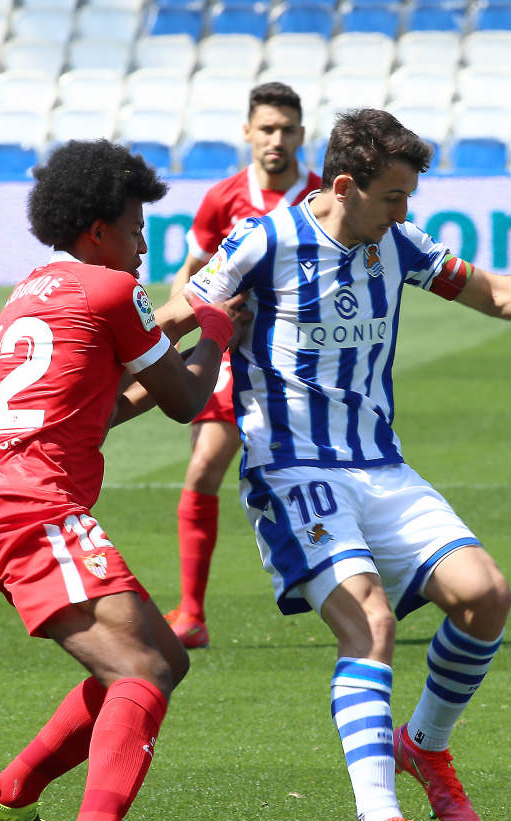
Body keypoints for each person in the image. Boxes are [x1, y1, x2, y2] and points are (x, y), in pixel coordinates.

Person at [180, 108, 511, 821]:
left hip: (380, 465)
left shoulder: (396, 242)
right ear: (345, 186)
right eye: (395, 198)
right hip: (293, 469)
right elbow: (178, 310)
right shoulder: (263, 241)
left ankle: (424, 744)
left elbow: (493, 294)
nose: (407, 213)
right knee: (368, 623)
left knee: (485, 597)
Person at [0, 139, 245, 821]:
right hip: (34, 508)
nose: (145, 241)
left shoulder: (33, 292)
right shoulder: (114, 293)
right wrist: (214, 333)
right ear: (97, 231)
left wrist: (181, 322)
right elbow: (185, 402)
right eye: (135, 225)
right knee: (141, 672)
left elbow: (102, 409)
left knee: (160, 658)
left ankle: (11, 796)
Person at [161, 82, 323, 650]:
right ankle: (192, 614)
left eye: (287, 129)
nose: (276, 139)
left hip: (308, 364)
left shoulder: (325, 197)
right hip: (234, 356)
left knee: (329, 473)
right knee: (204, 469)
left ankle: (350, 584)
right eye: (267, 128)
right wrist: (187, 320)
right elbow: (192, 271)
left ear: (302, 135)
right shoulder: (223, 198)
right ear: (248, 133)